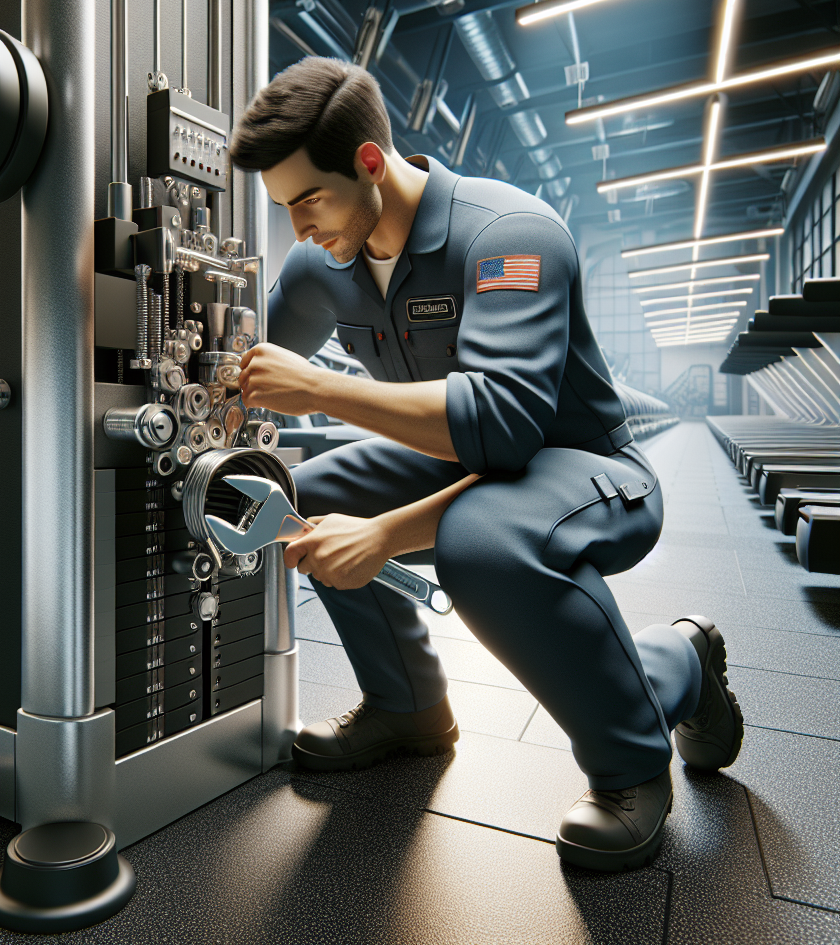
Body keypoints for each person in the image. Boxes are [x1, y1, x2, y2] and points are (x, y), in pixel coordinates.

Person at [228, 56, 743, 872]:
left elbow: (504, 430)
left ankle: (643, 735)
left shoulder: (509, 234)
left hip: (588, 471)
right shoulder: (320, 265)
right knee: (305, 491)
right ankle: (406, 709)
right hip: (470, 473)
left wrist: (345, 441)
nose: (298, 228)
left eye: (308, 200)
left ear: (369, 161)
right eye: (283, 209)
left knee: (478, 543)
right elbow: (242, 365)